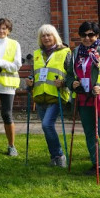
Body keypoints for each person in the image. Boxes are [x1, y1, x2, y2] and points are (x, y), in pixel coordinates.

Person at [65, 21, 100, 181]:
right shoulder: (76, 52)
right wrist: (72, 83)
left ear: (97, 35)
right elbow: (69, 75)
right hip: (84, 98)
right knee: (90, 133)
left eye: (91, 35)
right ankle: (96, 164)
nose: (87, 38)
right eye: (83, 35)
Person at [27, 24, 71, 168]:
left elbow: (72, 74)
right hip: (40, 96)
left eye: (49, 35)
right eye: (43, 36)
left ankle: (59, 155)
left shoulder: (65, 52)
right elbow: (34, 73)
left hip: (56, 95)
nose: (46, 38)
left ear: (55, 36)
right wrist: (30, 81)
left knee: (47, 125)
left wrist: (64, 82)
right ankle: (54, 157)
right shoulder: (37, 54)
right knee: (46, 127)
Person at [0, 18, 22, 157]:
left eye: (4, 28)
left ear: (9, 30)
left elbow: (16, 65)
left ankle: (11, 146)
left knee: (6, 114)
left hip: (7, 85)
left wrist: (1, 63)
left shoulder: (14, 44)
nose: (1, 31)